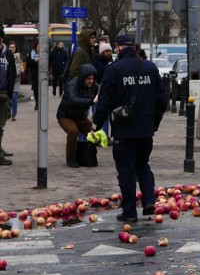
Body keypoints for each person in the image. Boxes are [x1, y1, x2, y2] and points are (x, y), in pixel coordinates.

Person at [92, 35, 168, 223]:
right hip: (145, 129)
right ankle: (149, 200)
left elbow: (105, 100)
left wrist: (96, 125)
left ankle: (130, 211)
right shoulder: (150, 68)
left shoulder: (114, 70)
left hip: (123, 130)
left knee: (126, 169)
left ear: (118, 48)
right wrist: (154, 123)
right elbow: (162, 99)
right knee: (143, 164)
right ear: (133, 47)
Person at [56, 64, 98, 168]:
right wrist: (91, 101)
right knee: (73, 131)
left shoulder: (95, 86)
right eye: (88, 79)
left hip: (81, 117)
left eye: (92, 79)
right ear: (82, 77)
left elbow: (104, 92)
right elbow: (73, 100)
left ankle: (89, 154)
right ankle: (71, 159)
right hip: (66, 116)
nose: (91, 81)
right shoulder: (72, 85)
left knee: (95, 133)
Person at [0, 27, 15, 165]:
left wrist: (10, 93)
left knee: (1, 124)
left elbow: (12, 73)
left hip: (4, 93)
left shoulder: (8, 55)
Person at [8, 41, 22, 120]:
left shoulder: (18, 56)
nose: (12, 48)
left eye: (13, 47)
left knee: (14, 96)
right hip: (8, 79)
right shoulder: (5, 55)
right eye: (11, 47)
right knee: (8, 97)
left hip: (16, 78)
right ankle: (8, 112)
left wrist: (19, 71)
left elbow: (20, 67)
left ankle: (14, 113)